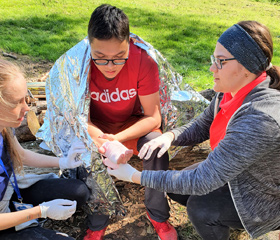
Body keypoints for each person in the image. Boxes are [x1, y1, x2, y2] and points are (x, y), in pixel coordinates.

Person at [105, 20, 280, 240]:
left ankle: (218, 221)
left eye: (220, 62)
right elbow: (204, 124)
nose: (211, 68)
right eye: (213, 59)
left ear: (246, 67)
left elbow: (202, 180)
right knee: (177, 186)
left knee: (200, 207)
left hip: (263, 195)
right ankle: (220, 216)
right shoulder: (232, 90)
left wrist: (134, 175)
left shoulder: (259, 118)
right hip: (235, 172)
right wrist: (170, 136)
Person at [84, 3, 177, 240]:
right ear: (89, 45)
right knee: (88, 155)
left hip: (131, 128)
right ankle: (97, 222)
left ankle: (158, 216)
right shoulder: (79, 64)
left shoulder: (143, 61)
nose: (110, 67)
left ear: (129, 45)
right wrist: (104, 142)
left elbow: (153, 117)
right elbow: (76, 118)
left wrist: (118, 139)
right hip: (96, 128)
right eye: (101, 58)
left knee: (156, 146)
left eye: (119, 58)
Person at [0, 59, 91, 240]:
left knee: (79, 191)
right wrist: (40, 211)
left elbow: (22, 154)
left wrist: (63, 162)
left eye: (26, 99)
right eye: (17, 103)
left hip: (10, 196)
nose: (26, 108)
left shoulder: (5, 125)